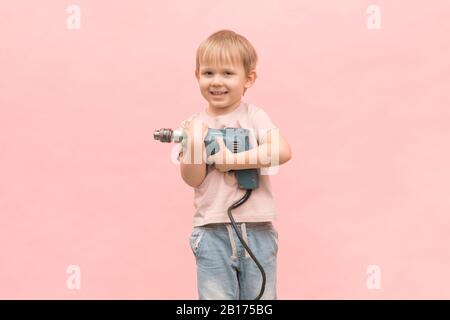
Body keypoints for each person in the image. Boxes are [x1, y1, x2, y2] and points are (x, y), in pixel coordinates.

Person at [176, 29, 292, 300]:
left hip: (257, 229)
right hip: (211, 229)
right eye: (208, 73)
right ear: (197, 75)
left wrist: (233, 161)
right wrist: (194, 143)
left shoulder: (255, 117)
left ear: (248, 78)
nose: (217, 82)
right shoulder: (192, 126)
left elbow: (282, 151)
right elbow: (192, 179)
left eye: (227, 73)